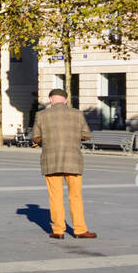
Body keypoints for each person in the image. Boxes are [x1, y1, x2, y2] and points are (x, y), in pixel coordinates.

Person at [31, 88, 95, 239]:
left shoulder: (41, 115)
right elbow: (86, 135)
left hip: (51, 161)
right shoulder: (77, 114)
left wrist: (45, 140)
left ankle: (58, 230)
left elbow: (35, 137)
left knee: (55, 196)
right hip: (73, 160)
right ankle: (80, 230)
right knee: (76, 196)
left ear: (51, 99)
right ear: (66, 100)